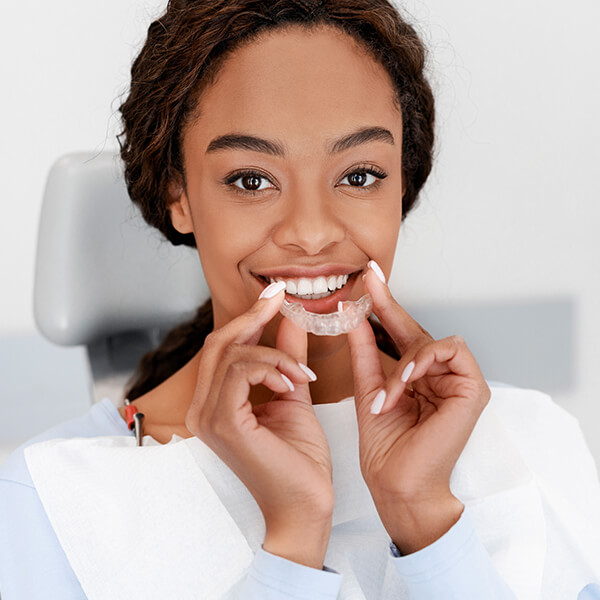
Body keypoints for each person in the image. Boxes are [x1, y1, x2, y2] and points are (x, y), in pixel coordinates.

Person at [1, 0, 599, 598]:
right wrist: (291, 541)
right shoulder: (49, 499)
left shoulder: (536, 447)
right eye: (252, 180)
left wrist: (426, 521)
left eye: (359, 175)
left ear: (402, 185)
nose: (312, 232)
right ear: (177, 193)